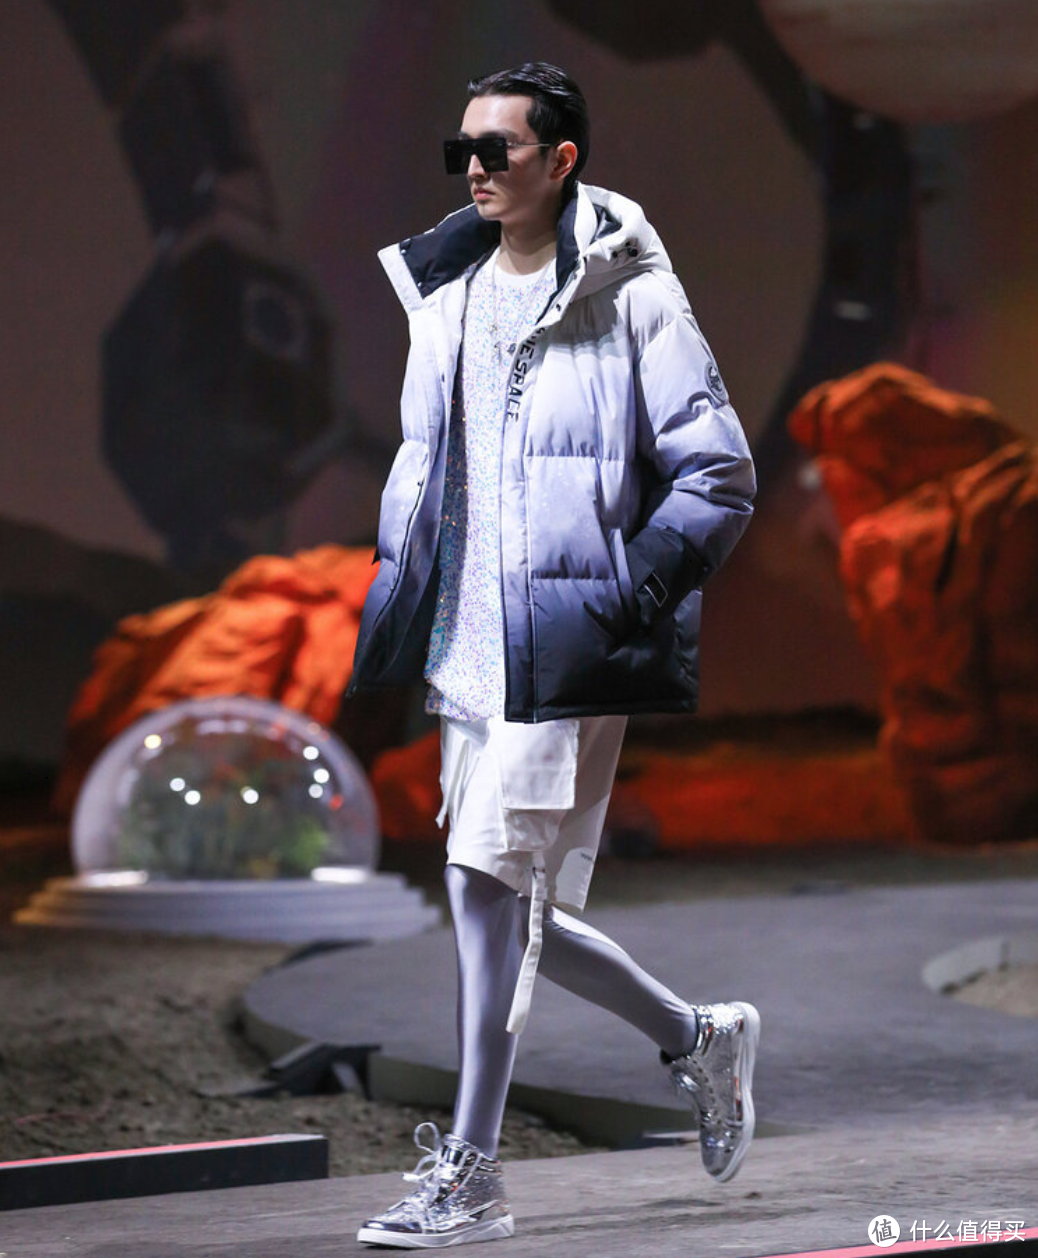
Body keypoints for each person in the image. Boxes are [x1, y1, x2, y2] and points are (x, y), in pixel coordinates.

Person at [349, 62, 759, 1248]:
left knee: (482, 890)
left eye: (500, 150)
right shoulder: (447, 295)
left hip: (564, 648)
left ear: (562, 160)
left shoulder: (635, 295)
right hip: (466, 650)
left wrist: (628, 597)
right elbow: (433, 470)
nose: (475, 169)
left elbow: (718, 471)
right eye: (462, 150)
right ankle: (697, 1036)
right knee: (506, 903)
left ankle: (472, 1173)